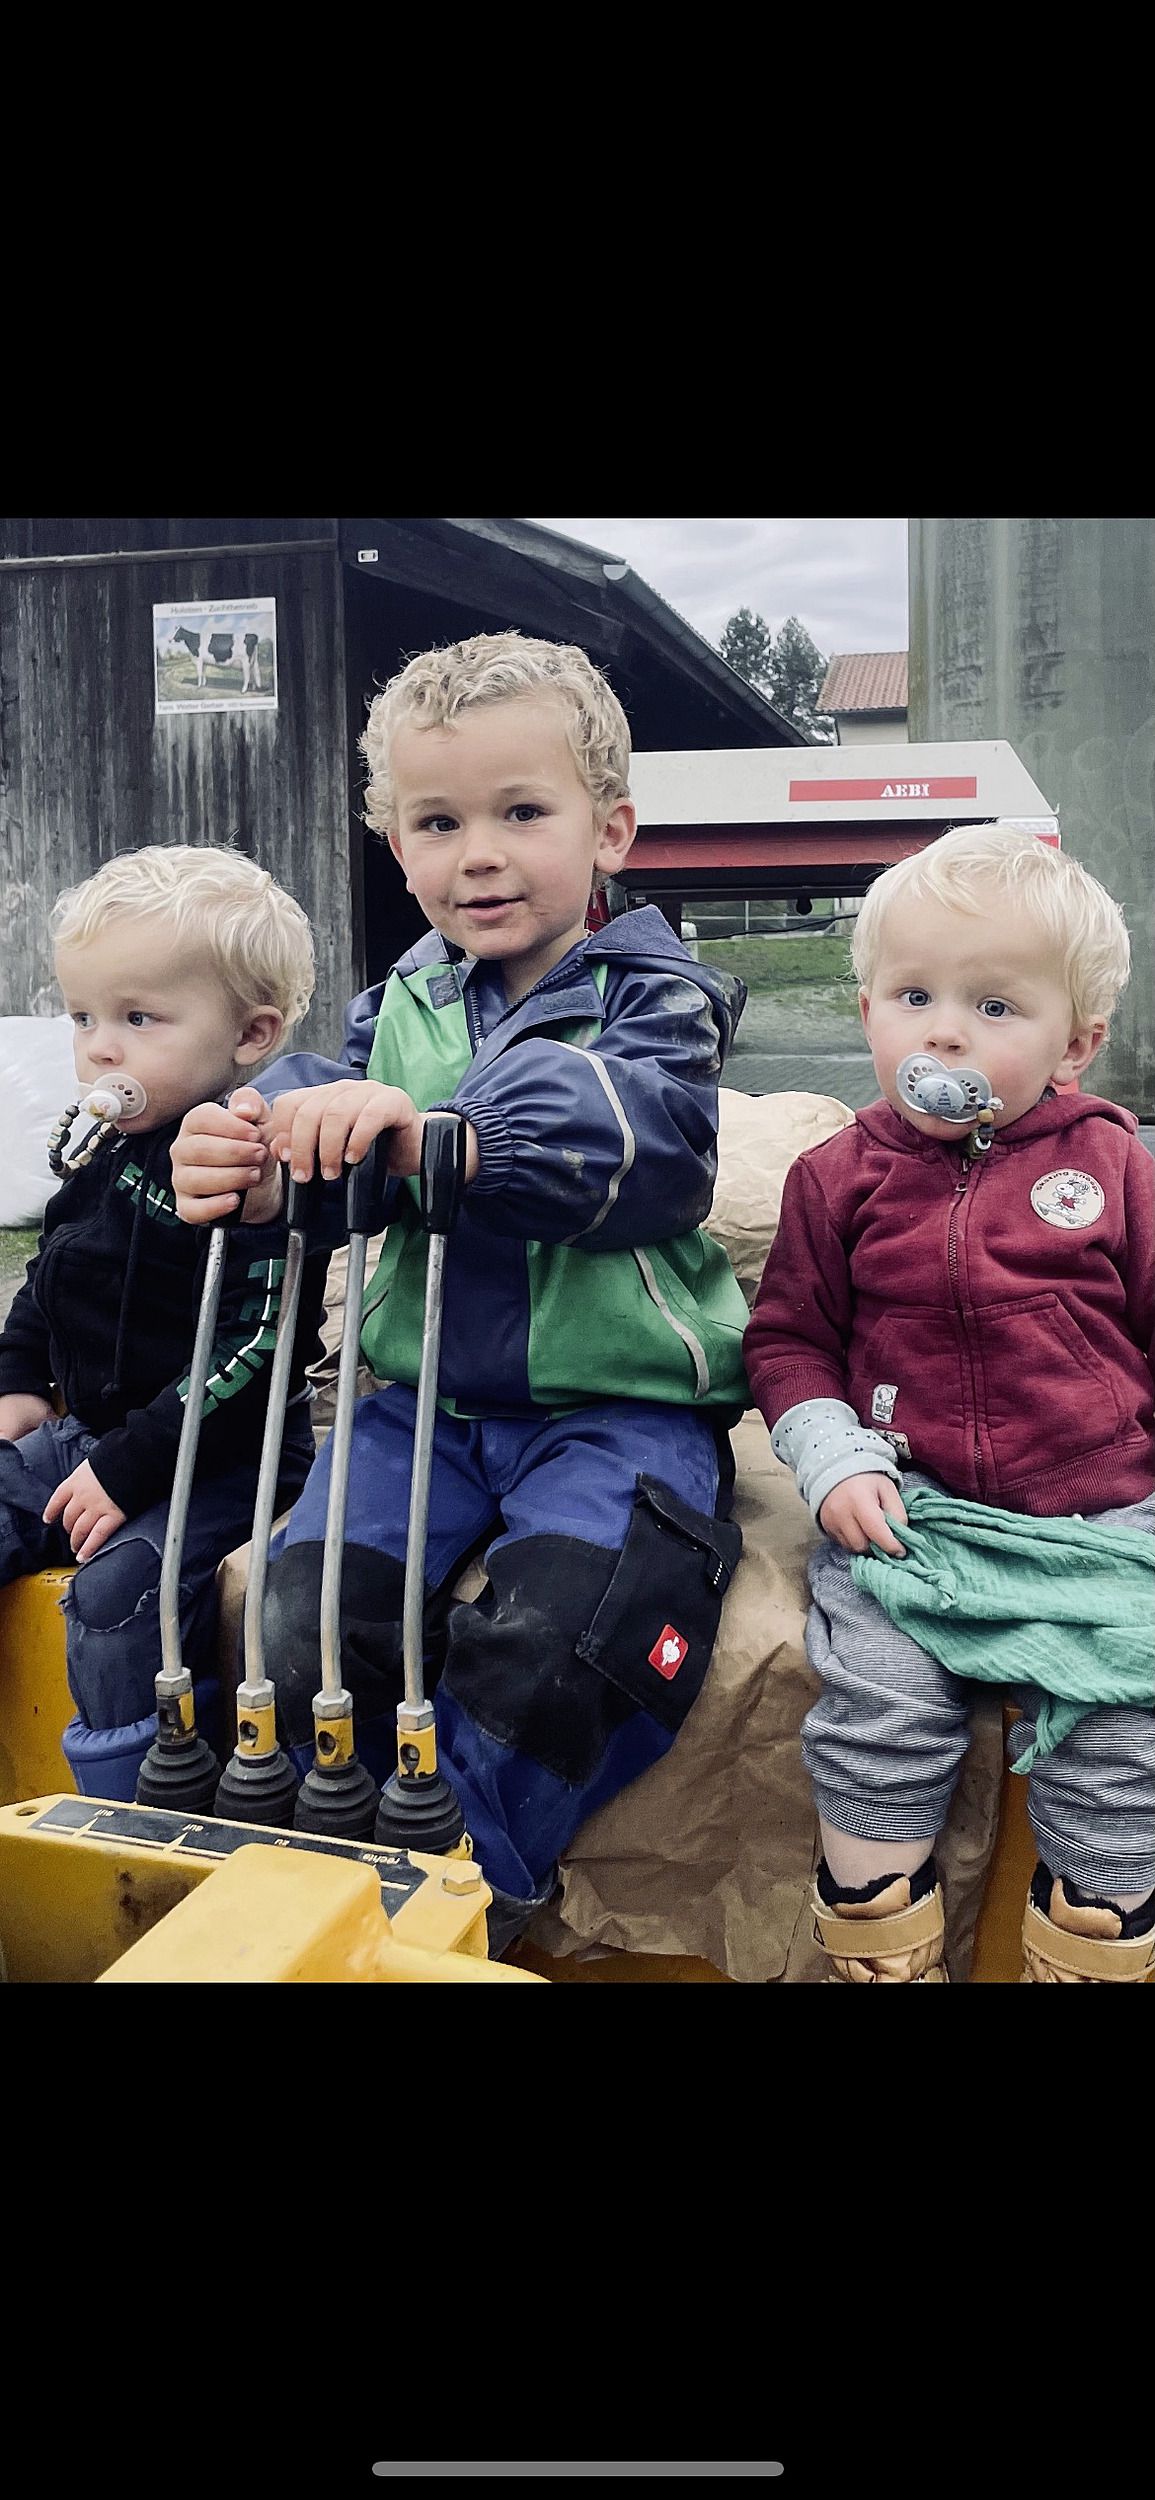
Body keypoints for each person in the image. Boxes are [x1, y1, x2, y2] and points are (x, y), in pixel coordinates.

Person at [171, 630, 751, 1949]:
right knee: (307, 1611)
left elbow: (646, 1140)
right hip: (419, 1400)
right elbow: (332, 1097)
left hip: (619, 1408)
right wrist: (259, 1145)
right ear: (397, 846)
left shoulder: (654, 994)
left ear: (610, 830)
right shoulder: (406, 1001)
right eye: (437, 821)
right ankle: (343, 1849)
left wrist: (444, 1134)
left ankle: (465, 1893)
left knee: (564, 1643)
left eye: (520, 812)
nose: (476, 852)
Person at [744, 823, 1155, 1983]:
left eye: (993, 1006)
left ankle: (1091, 1944)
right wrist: (832, 1458)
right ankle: (880, 1939)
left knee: (1127, 1716)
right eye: (913, 993)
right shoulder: (837, 1176)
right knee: (876, 1704)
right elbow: (786, 1340)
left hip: (1101, 1513)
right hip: (910, 1507)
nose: (943, 1030)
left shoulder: (1118, 1169)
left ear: (1075, 1045)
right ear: (866, 1007)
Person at [0, 844, 325, 1800]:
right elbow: (51, 1274)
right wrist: (17, 1377)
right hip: (88, 1436)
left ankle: (142, 1804)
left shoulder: (248, 1170)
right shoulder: (105, 1146)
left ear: (249, 1032)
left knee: (114, 1602)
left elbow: (256, 1354)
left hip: (217, 1456)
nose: (102, 1046)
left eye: (138, 1018)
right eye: (85, 1017)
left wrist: (128, 1466)